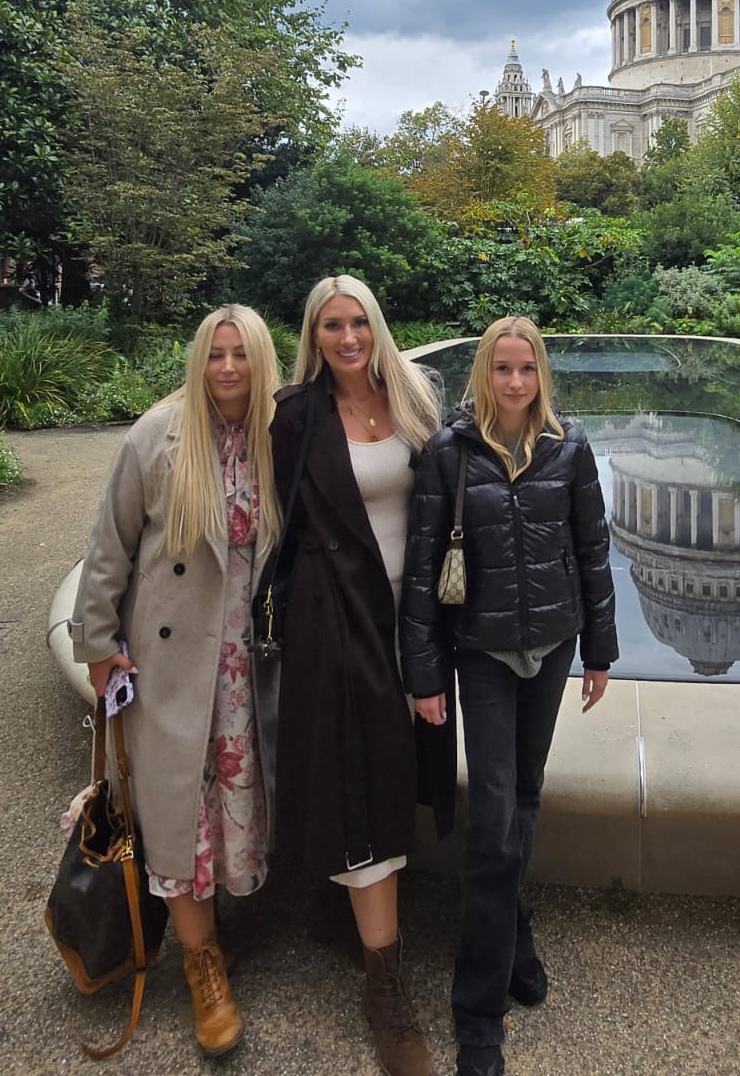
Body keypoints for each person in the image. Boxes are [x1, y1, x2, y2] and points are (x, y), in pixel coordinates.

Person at [401, 317, 619, 1076]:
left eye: (527, 368)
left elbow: (592, 549)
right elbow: (422, 570)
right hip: (484, 655)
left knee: (525, 795)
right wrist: (424, 673)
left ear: (542, 373)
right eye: (503, 369)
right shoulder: (449, 452)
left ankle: (513, 924)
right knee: (494, 821)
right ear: (483, 374)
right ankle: (478, 1012)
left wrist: (600, 650)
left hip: (553, 647)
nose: (516, 382)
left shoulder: (569, 448)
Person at [68, 304, 283, 1057]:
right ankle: (202, 964)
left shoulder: (276, 436)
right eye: (215, 354)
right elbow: (109, 546)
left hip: (247, 662)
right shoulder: (157, 435)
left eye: (241, 354)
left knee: (237, 798)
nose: (227, 367)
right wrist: (97, 644)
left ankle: (228, 918)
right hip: (172, 660)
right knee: (181, 811)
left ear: (260, 361)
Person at [271, 274, 451, 1076]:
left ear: (377, 327)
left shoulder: (414, 398)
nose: (347, 338)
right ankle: (385, 985)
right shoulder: (297, 415)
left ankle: (341, 910)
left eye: (359, 323)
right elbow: (273, 518)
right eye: (331, 325)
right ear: (313, 336)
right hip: (336, 620)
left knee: (393, 768)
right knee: (359, 779)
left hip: (412, 621)